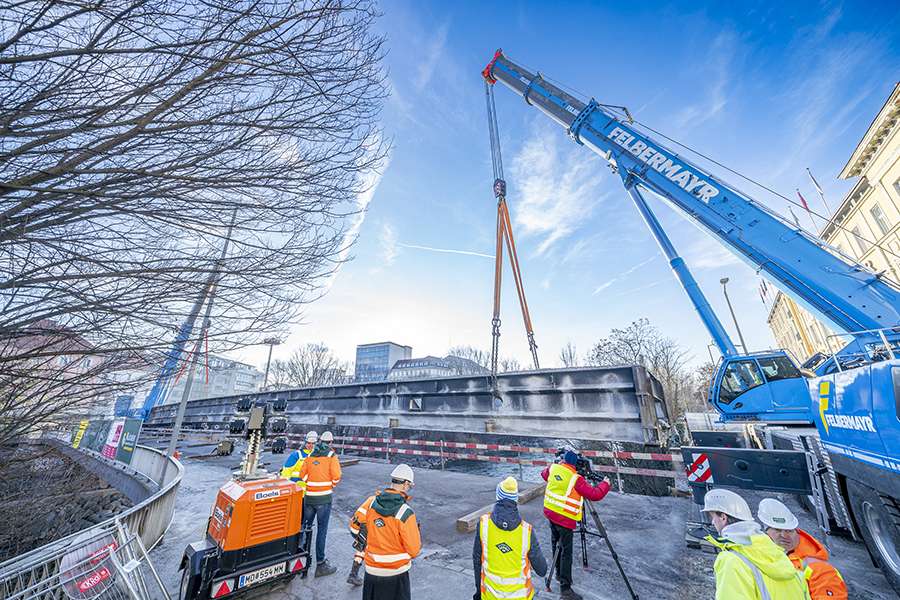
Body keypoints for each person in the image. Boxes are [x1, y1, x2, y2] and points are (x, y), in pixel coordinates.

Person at [703, 489, 809, 600]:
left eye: (713, 517)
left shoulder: (731, 561)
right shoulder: (776, 553)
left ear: (723, 518)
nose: (712, 522)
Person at [541, 450, 610, 600]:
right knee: (566, 551)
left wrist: (558, 467)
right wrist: (605, 483)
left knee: (556, 544)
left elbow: (544, 474)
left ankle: (559, 573)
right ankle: (565, 588)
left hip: (550, 513)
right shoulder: (576, 479)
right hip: (565, 519)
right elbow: (595, 494)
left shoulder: (554, 468)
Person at [351, 464, 421, 600]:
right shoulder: (405, 512)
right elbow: (413, 550)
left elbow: (355, 529)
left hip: (372, 572)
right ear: (405, 485)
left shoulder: (371, 503)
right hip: (396, 574)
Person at [473, 477, 547, 600]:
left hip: (490, 596)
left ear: (498, 497)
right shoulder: (526, 531)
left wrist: (478, 591)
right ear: (515, 500)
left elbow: (477, 562)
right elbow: (542, 570)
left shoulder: (483, 524)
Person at [758, 498, 847, 600]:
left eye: (789, 531)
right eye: (777, 530)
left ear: (797, 531)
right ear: (767, 531)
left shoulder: (819, 569)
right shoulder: (761, 552)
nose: (784, 536)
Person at [298, 433, 343, 577]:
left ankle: (301, 563)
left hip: (309, 497)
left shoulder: (310, 455)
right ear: (330, 443)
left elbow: (302, 475)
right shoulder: (331, 455)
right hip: (324, 499)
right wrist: (329, 486)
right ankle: (320, 564)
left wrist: (312, 482)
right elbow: (336, 476)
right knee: (321, 532)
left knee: (306, 528)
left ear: (319, 442)